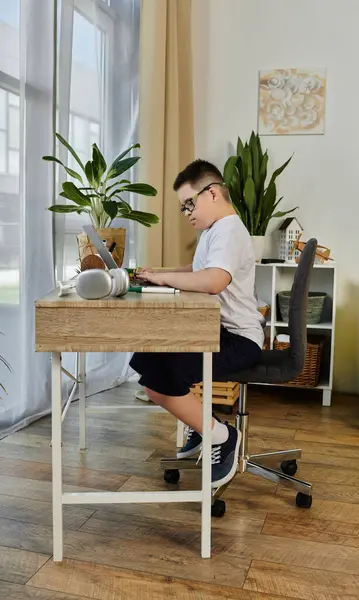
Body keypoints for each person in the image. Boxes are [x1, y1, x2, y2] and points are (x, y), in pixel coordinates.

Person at [130, 159, 264, 488]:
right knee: (148, 358)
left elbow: (214, 280)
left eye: (190, 203)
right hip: (212, 330)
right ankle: (203, 424)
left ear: (214, 193)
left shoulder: (230, 230)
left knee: (159, 376)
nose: (187, 212)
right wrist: (158, 276)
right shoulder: (213, 231)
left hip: (238, 340)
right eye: (182, 207)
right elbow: (196, 269)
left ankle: (221, 435)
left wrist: (164, 279)